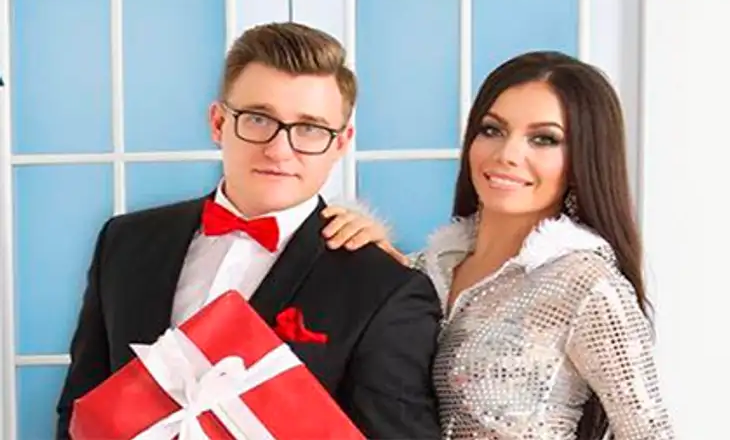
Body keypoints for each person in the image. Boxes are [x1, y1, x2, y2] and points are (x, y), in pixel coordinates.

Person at [55, 22, 442, 439]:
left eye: (309, 128)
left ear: (340, 143)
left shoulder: (384, 289)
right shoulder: (125, 242)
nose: (278, 149)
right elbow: (79, 412)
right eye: (258, 119)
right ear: (218, 122)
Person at [321, 51, 676, 439]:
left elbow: (650, 432)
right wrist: (370, 261)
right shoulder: (425, 269)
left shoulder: (585, 284)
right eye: (492, 130)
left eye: (544, 139)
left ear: (581, 161)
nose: (507, 155)